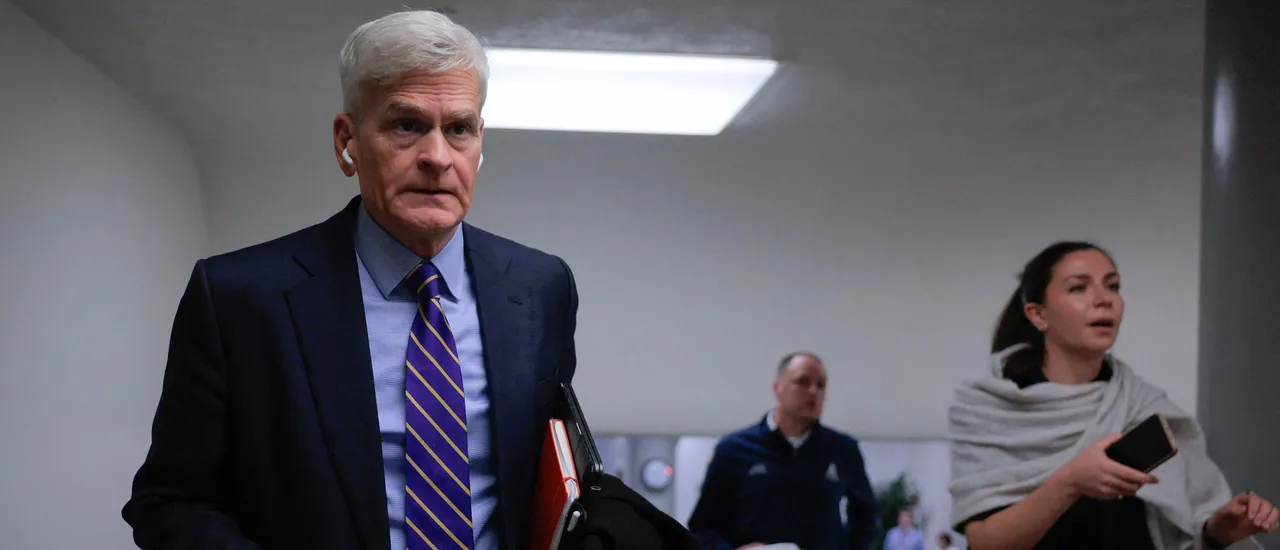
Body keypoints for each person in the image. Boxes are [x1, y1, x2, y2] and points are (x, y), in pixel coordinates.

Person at [122, 11, 579, 550]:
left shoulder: (539, 287)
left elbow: (552, 478)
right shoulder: (238, 299)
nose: (437, 157)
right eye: (406, 125)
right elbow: (170, 503)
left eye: (459, 129)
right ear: (348, 142)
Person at [948, 241, 1280, 550]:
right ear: (1038, 315)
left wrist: (1215, 533)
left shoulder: (1145, 407)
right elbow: (985, 543)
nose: (1104, 298)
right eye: (1079, 287)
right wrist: (1071, 481)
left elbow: (1180, 533)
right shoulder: (990, 407)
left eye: (1113, 285)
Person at [687, 352, 878, 550]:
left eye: (821, 385)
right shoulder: (734, 449)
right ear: (777, 388)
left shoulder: (842, 450)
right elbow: (702, 528)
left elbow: (866, 516)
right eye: (802, 382)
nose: (813, 391)